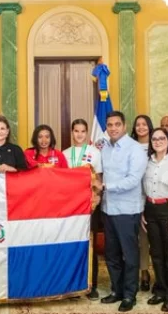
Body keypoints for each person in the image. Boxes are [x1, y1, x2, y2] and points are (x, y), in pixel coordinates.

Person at [99, 111, 148, 312]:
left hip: (127, 210)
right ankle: (116, 290)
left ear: (124, 126)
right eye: (109, 125)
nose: (113, 128)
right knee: (111, 254)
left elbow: (133, 180)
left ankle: (129, 294)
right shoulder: (104, 148)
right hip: (107, 209)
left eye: (117, 124)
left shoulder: (135, 149)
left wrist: (105, 186)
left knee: (129, 254)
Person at [142, 127, 168, 312]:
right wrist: (142, 211)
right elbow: (142, 188)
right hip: (150, 209)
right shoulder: (146, 162)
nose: (158, 141)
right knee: (156, 253)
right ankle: (160, 289)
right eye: (154, 139)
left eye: (161, 138)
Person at [63, 119, 103, 301]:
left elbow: (99, 180)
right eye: (76, 131)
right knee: (72, 244)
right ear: (72, 133)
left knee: (90, 244)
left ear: (87, 133)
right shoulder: (64, 154)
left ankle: (92, 285)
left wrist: (94, 200)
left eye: (82, 131)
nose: (79, 134)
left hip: (89, 205)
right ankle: (73, 285)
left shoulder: (95, 153)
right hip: (70, 207)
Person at [131, 115, 155, 291]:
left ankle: (162, 275)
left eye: (144, 124)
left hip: (156, 197)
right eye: (137, 125)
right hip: (136, 198)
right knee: (142, 239)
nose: (141, 127)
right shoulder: (130, 147)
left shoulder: (157, 145)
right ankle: (144, 272)